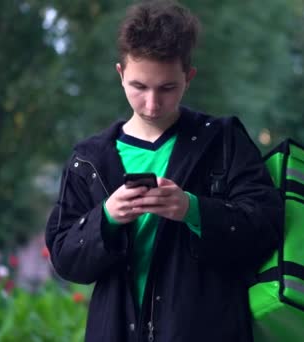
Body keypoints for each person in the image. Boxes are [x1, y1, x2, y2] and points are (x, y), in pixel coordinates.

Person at [45, 1, 280, 341]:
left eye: (167, 88)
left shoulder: (224, 140)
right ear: (120, 74)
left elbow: (267, 228)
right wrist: (106, 218)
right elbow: (65, 259)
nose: (152, 104)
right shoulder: (88, 159)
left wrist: (192, 209)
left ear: (189, 77)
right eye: (139, 87)